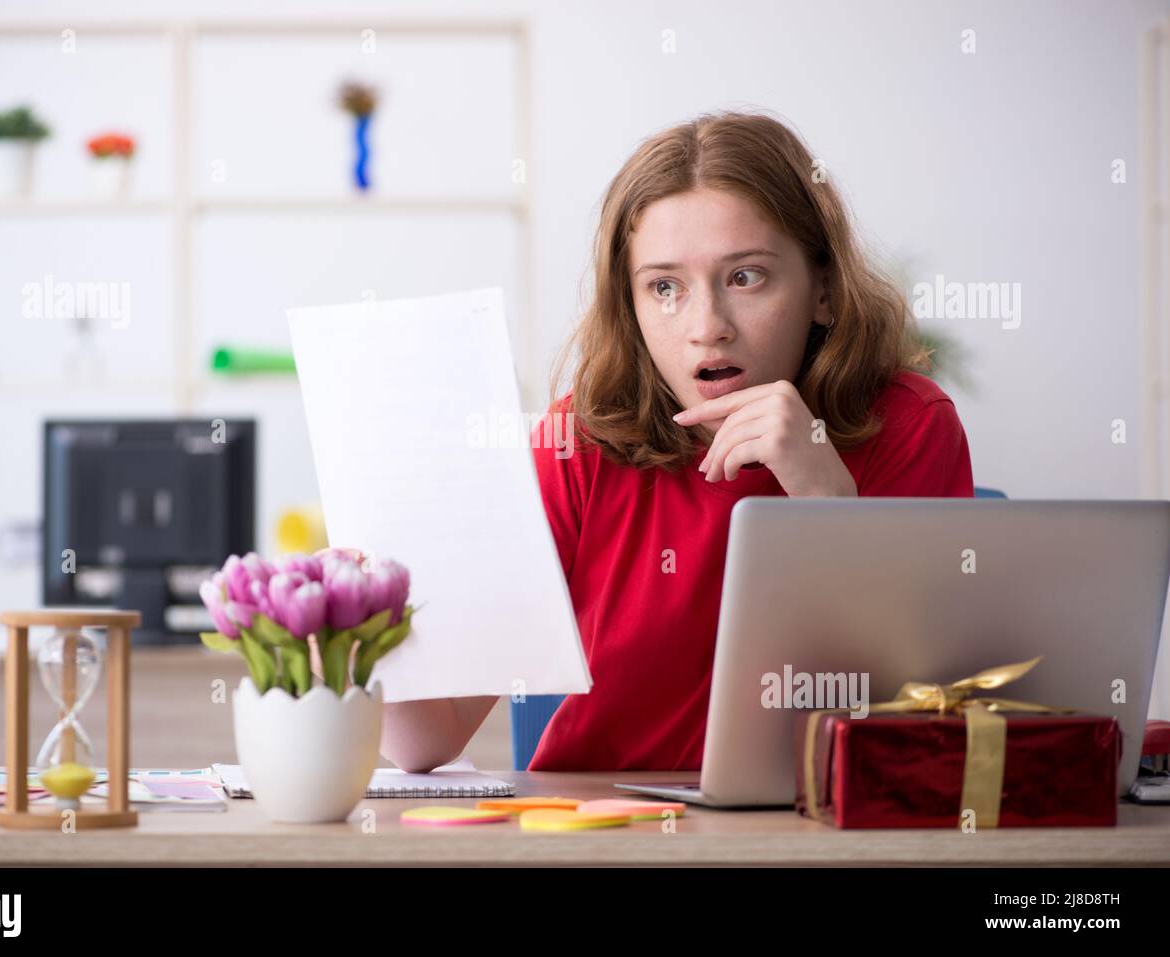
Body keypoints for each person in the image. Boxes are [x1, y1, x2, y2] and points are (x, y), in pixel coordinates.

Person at [381, 111, 973, 773]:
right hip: (603, 831)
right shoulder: (577, 444)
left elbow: (923, 728)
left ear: (824, 290)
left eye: (745, 277)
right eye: (665, 287)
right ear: (630, 307)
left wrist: (825, 500)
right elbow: (424, 740)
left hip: (815, 833)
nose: (707, 326)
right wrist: (351, 627)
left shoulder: (910, 424)